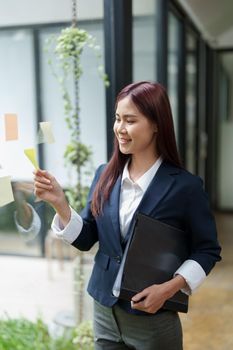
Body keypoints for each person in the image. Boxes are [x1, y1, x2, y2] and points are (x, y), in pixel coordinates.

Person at [33, 81, 221, 350]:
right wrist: (60, 204)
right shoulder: (104, 174)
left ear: (156, 124)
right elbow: (87, 238)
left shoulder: (185, 187)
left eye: (130, 120)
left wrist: (170, 288)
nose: (120, 128)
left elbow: (207, 250)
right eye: (118, 119)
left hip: (152, 317)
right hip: (103, 310)